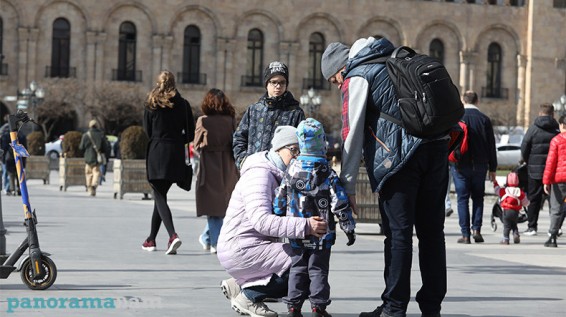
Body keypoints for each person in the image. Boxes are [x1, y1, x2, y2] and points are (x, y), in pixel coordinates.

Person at [321, 37, 448, 317]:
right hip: (436, 150)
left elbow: (351, 135)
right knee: (432, 234)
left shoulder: (357, 76)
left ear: (340, 69)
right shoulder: (396, 59)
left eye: (334, 80)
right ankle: (432, 307)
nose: (338, 85)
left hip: (400, 161)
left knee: (399, 234)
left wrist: (348, 186)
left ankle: (394, 307)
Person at [217, 126, 328, 317]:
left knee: (308, 264)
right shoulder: (259, 175)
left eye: (300, 151)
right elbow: (262, 221)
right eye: (293, 150)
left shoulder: (280, 173)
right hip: (240, 248)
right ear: (279, 149)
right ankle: (248, 296)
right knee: (304, 269)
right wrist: (306, 226)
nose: (297, 156)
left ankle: (239, 285)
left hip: (250, 246)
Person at [273, 118, 356, 317]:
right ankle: (318, 306)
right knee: (318, 269)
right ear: (322, 143)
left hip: (296, 229)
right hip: (322, 233)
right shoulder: (327, 172)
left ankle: (294, 306)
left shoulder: (291, 169)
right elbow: (339, 201)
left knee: (297, 268)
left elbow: (280, 197)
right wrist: (348, 227)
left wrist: (277, 215)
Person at [141, 70, 195, 255]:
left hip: (157, 151)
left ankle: (172, 235)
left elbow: (147, 131)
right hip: (175, 153)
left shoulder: (151, 104)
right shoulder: (183, 104)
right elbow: (190, 134)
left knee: (159, 195)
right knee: (160, 195)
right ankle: (151, 239)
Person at [232, 61, 305, 170]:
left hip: (283, 173)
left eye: (282, 82)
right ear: (267, 84)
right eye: (273, 82)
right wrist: (243, 161)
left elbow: (302, 144)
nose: (278, 86)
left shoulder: (295, 112)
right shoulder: (254, 110)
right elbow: (239, 138)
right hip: (255, 169)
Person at [194, 88, 239, 254]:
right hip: (227, 163)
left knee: (214, 204)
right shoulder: (230, 119)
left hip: (210, 163)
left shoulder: (203, 120)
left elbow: (196, 144)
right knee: (223, 204)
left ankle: (212, 240)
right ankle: (211, 239)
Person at [451, 90, 497, 244]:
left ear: (463, 101)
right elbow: (491, 145)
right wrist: (493, 168)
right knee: (478, 197)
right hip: (480, 165)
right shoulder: (484, 119)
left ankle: (465, 234)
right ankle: (476, 229)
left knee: (462, 199)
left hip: (460, 165)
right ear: (477, 101)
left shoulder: (457, 118)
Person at [520, 103, 559, 236]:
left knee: (533, 198)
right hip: (553, 170)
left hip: (534, 169)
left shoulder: (533, 129)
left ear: (540, 113)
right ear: (553, 114)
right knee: (554, 199)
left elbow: (524, 146)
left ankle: (532, 227)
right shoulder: (556, 130)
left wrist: (528, 160)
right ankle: (555, 227)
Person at [542, 114, 566, 247]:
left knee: (556, 208)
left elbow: (550, 162)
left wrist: (546, 181)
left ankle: (552, 237)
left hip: (560, 180)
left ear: (562, 125)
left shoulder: (556, 140)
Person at [493, 172, 530, 245]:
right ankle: (516, 234)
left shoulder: (504, 191)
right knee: (514, 224)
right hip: (516, 212)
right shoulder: (520, 192)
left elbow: (496, 190)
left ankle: (506, 239)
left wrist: (495, 183)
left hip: (506, 211)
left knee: (506, 226)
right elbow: (526, 202)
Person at [79, 119, 108, 197]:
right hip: (97, 158)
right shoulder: (101, 135)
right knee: (96, 173)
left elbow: (81, 147)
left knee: (88, 174)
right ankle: (94, 186)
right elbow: (105, 148)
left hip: (88, 158)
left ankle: (89, 186)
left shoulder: (86, 135)